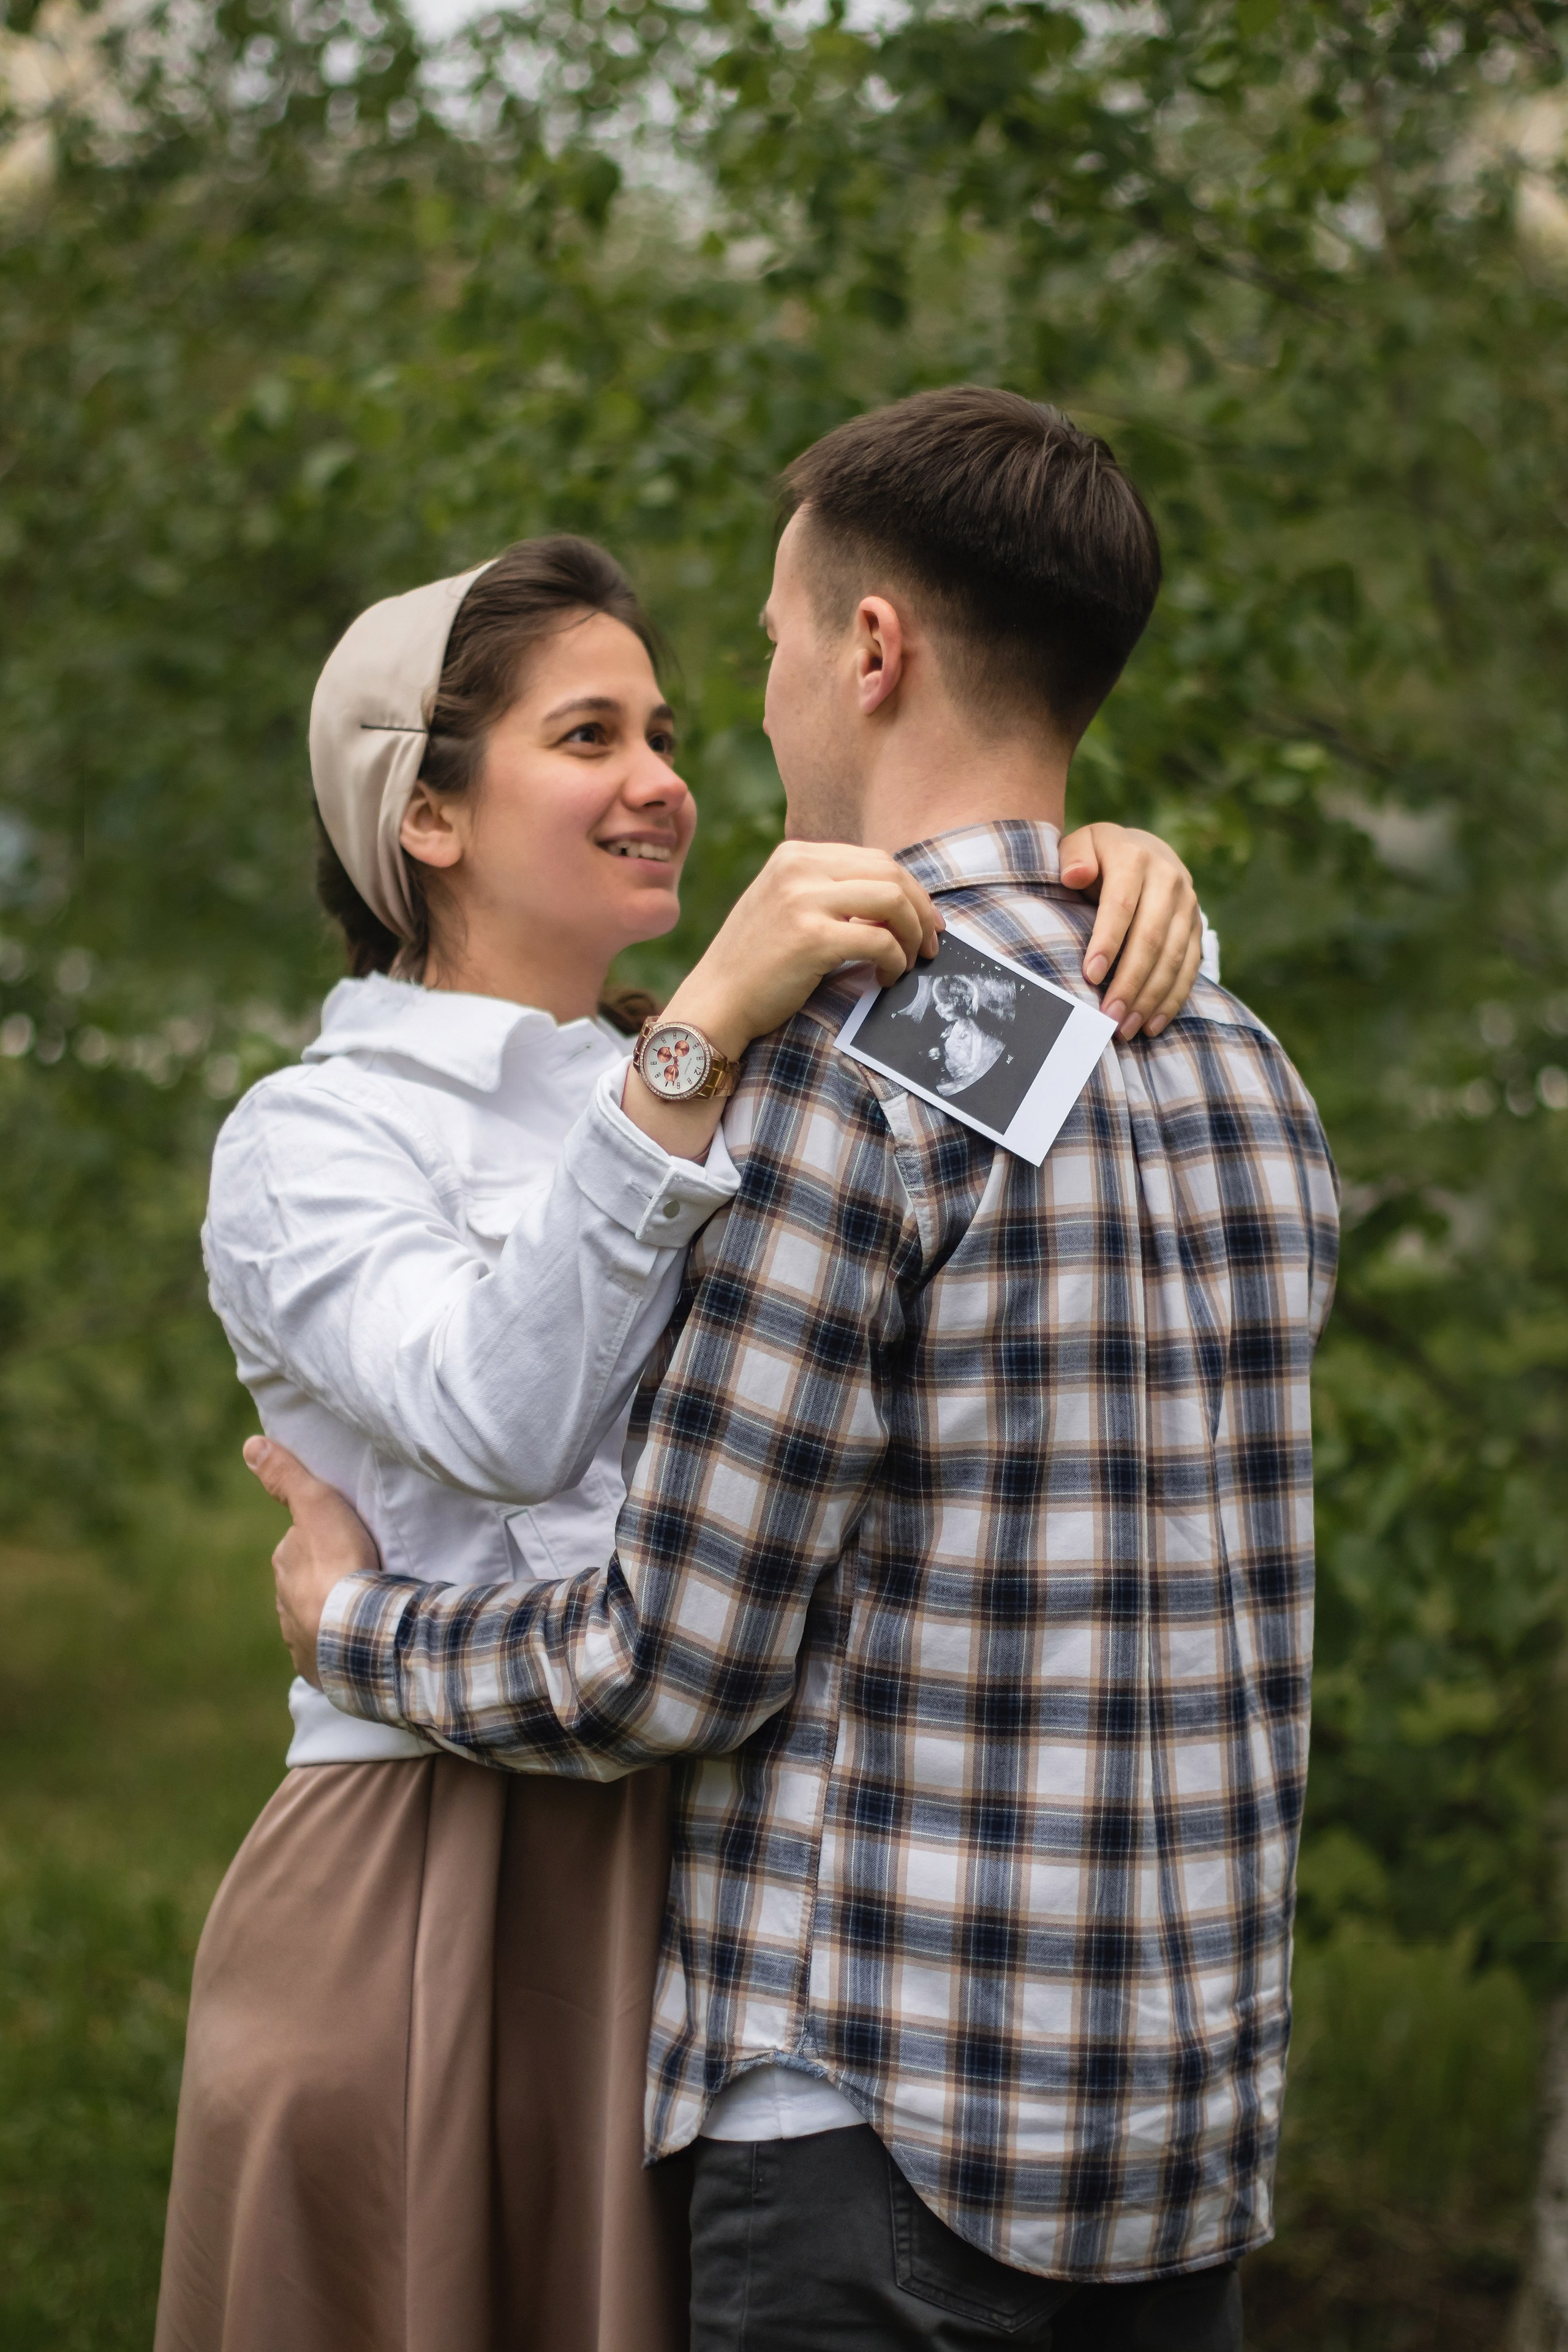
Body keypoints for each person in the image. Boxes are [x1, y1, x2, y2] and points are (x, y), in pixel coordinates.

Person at [254, 387, 1339, 2351]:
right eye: (602, 733)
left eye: (730, 669)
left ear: (870, 647)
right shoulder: (1243, 1062)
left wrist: (359, 1626)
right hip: (1169, 2138)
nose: (704, 744)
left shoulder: (840, 1078)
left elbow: (676, 1654)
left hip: (881, 2119)